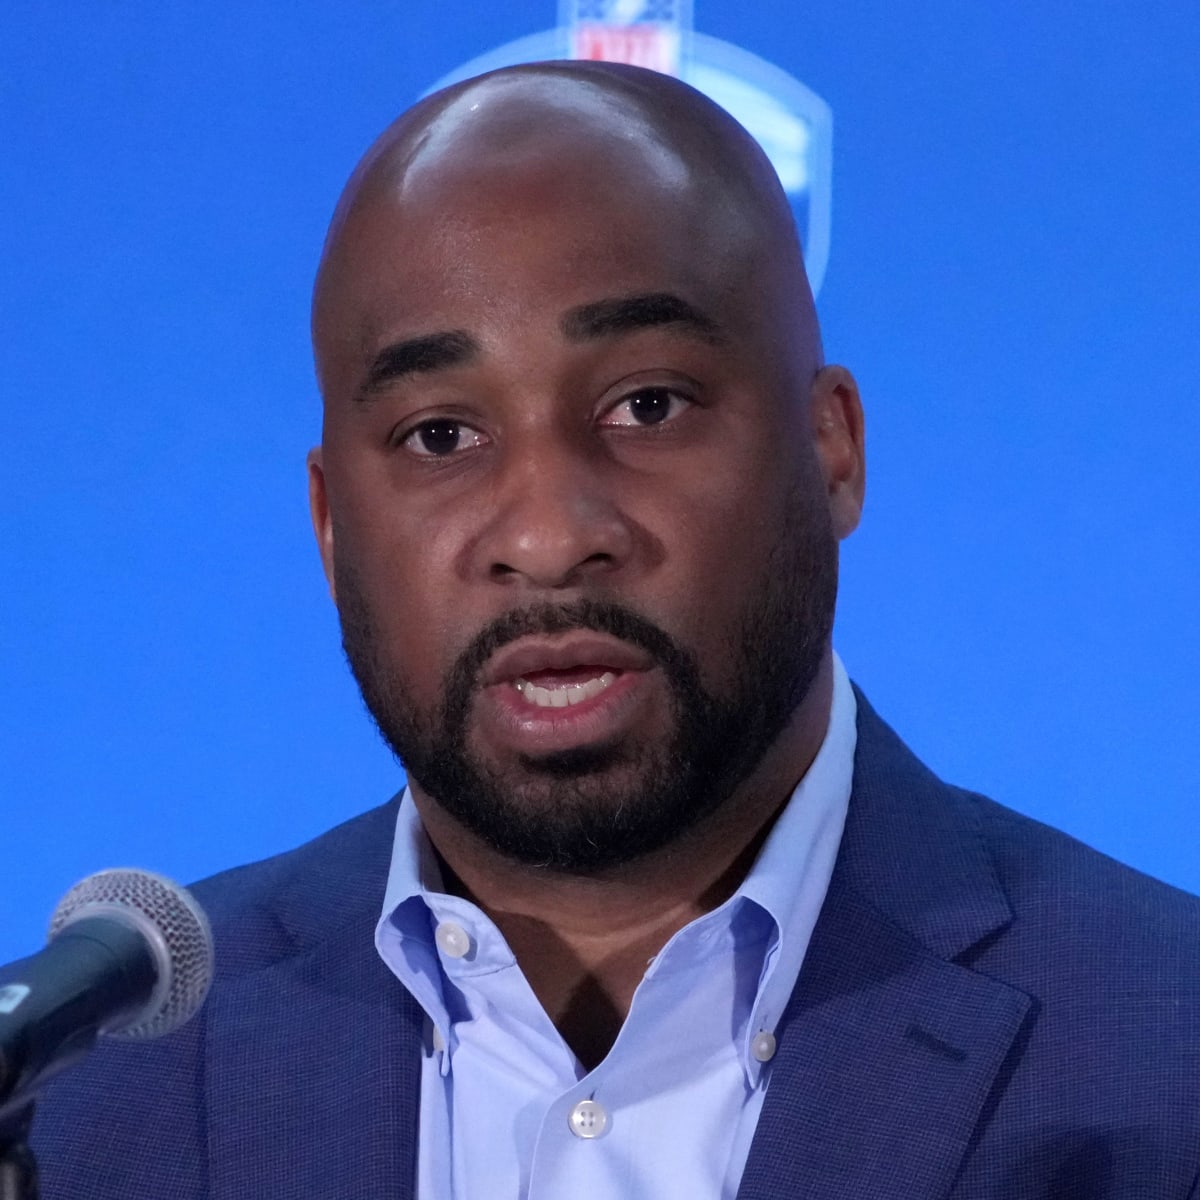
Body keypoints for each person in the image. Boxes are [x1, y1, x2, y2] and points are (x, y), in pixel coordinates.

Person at [31, 60, 1200, 1199]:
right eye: (441, 435)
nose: (546, 536)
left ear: (832, 448)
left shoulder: (1165, 1049)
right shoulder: (87, 1099)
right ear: (332, 528)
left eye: (648, 405)